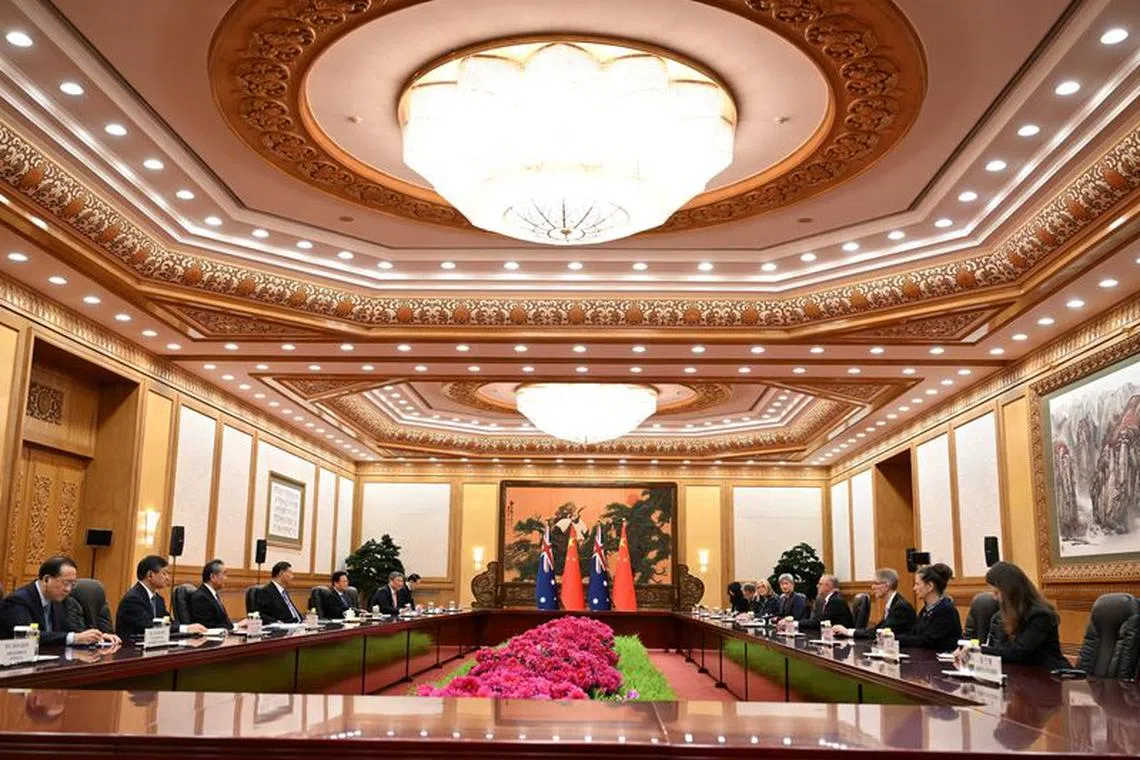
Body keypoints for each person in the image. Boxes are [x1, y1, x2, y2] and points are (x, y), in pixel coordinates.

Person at [959, 561, 1067, 670]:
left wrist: (979, 650)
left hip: (1047, 675)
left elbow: (1018, 652)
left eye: (997, 593)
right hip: (1018, 674)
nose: (995, 598)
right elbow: (999, 649)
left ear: (1010, 591)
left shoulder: (1040, 615)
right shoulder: (1000, 616)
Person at [0, 556, 117, 646]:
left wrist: (98, 637)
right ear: (46, 580)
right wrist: (74, 638)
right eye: (65, 583)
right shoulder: (18, 601)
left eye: (72, 584)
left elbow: (74, 630)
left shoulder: (63, 600)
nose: (68, 589)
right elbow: (26, 636)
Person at [115, 555, 208, 640]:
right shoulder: (133, 599)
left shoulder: (158, 599)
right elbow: (149, 626)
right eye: (164, 573)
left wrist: (189, 628)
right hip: (131, 650)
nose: (168, 578)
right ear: (150, 575)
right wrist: (185, 628)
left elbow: (168, 622)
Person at [833, 567, 917, 638]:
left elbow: (881, 633)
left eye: (876, 583)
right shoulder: (892, 604)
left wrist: (847, 632)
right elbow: (877, 629)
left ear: (886, 586)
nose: (872, 587)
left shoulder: (901, 607)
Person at [897, 563, 961, 652]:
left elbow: (927, 640)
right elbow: (915, 633)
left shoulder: (946, 610)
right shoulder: (926, 609)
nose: (914, 588)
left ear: (930, 586)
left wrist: (897, 639)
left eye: (917, 584)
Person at [189, 559, 246, 630]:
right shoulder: (201, 597)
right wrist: (237, 626)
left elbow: (222, 622)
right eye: (224, 574)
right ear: (212, 577)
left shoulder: (212, 595)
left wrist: (237, 625)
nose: (226, 578)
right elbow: (208, 626)